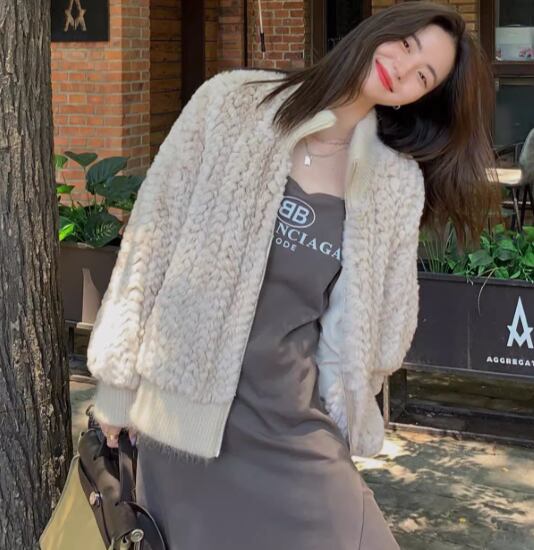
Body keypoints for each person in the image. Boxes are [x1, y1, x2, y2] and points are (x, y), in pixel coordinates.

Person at [86, 2, 501, 548]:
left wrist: (351, 397)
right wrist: (117, 390)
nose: (402, 69)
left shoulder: (394, 183)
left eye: (423, 76)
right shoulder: (231, 103)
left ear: (418, 98)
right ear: (380, 31)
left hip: (297, 431)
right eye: (407, 45)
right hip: (185, 425)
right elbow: (150, 243)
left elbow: (387, 329)